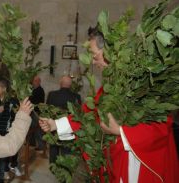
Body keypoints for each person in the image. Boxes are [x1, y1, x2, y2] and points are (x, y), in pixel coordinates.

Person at [39, 27, 179, 182]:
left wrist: (121, 131)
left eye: (94, 55)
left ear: (109, 52)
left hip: (140, 163)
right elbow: (89, 115)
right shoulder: (110, 87)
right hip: (115, 160)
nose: (92, 61)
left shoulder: (142, 83)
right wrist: (55, 125)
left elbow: (161, 126)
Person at [46, 75, 81, 163]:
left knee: (53, 149)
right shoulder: (76, 97)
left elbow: (47, 111)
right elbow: (79, 115)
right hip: (68, 128)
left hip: (54, 127)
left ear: (60, 83)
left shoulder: (52, 94)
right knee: (67, 151)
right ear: (71, 85)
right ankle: (65, 169)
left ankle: (53, 167)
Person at [29, 75, 45, 151]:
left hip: (37, 112)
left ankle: (41, 145)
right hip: (31, 111)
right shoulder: (32, 89)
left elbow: (37, 102)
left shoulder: (40, 90)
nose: (33, 82)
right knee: (30, 126)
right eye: (33, 81)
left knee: (37, 129)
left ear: (39, 82)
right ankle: (31, 142)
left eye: (35, 81)